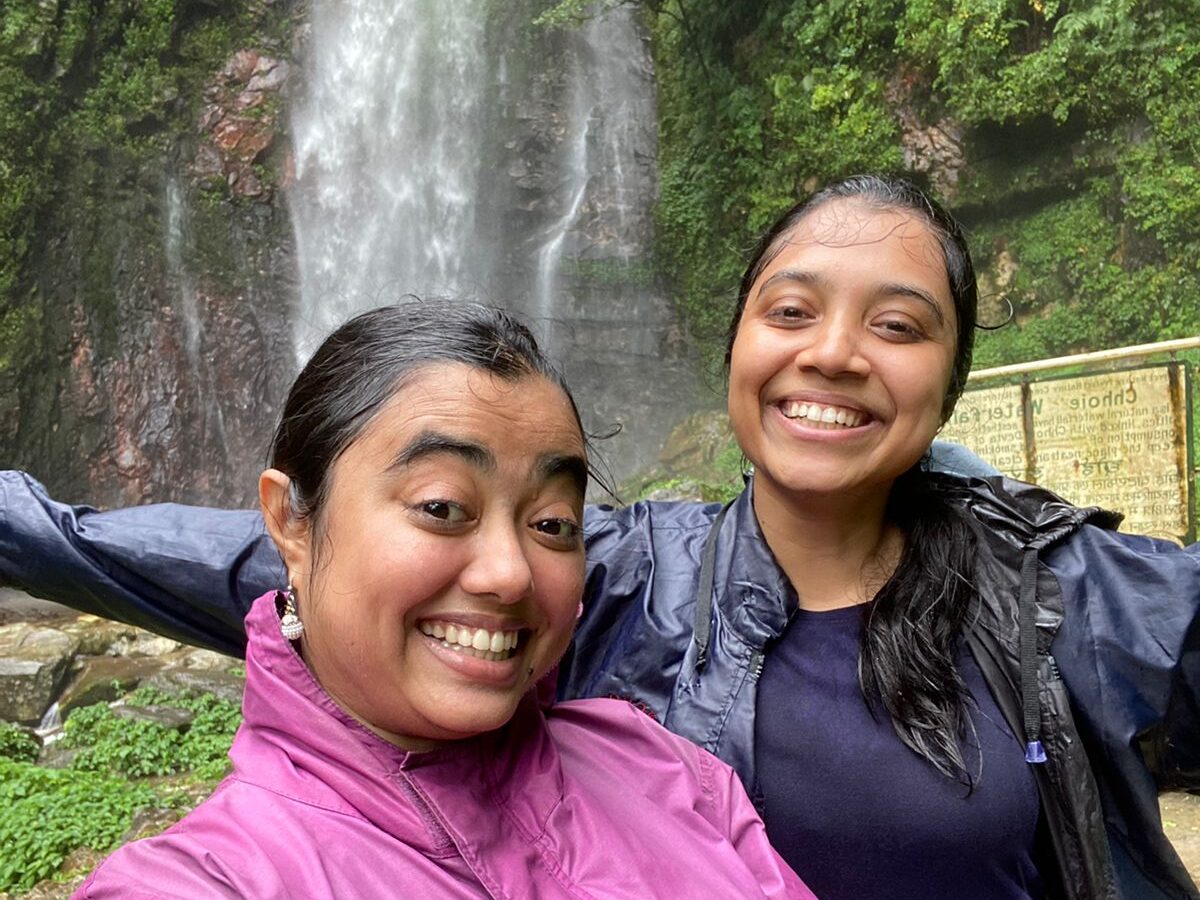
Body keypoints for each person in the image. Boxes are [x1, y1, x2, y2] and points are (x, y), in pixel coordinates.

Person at [2, 176, 1197, 899]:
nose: (833, 351)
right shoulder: (621, 577)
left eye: (897, 325)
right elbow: (229, 562)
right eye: (791, 310)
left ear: (951, 387)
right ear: (737, 346)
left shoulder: (1056, 584)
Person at [63, 303, 812, 898]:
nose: (509, 573)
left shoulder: (661, 766)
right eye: (442, 506)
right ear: (291, 520)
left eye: (552, 523)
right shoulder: (213, 879)